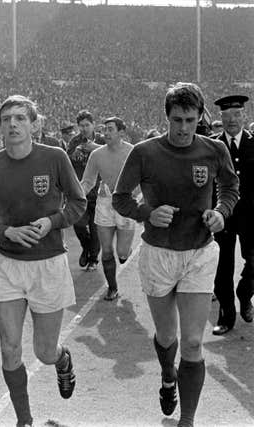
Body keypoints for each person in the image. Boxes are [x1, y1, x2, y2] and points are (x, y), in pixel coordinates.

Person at [112, 83, 239, 427]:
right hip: (158, 254)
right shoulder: (144, 152)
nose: (183, 128)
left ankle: (187, 419)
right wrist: (146, 213)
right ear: (166, 117)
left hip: (199, 253)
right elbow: (120, 197)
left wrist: (221, 212)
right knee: (167, 337)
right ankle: (168, 374)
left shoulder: (214, 150)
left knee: (194, 342)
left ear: (200, 118)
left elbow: (230, 187)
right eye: (176, 120)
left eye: (190, 120)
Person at [0, 95, 86, 427]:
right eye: (6, 118)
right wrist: (6, 232)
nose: (13, 124)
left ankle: (62, 360)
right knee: (9, 348)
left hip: (48, 263)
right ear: (0, 126)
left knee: (44, 353)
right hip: (7, 265)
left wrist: (52, 222)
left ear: (35, 124)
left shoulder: (54, 158)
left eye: (20, 118)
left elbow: (78, 204)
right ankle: (24, 420)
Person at [211, 94, 254, 335]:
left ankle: (245, 293)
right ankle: (226, 315)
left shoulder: (253, 142)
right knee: (222, 266)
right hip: (223, 216)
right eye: (226, 116)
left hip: (252, 215)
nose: (231, 120)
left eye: (236, 114)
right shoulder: (213, 146)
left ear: (243, 115)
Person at [81, 117, 136, 301]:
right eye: (104, 129)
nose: (106, 133)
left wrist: (136, 196)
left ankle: (124, 252)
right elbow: (88, 181)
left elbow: (145, 178)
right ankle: (112, 288)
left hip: (126, 203)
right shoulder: (97, 155)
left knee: (121, 253)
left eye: (110, 129)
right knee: (106, 250)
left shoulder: (133, 152)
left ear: (121, 132)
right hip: (104, 203)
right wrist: (76, 197)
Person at [67, 110, 104, 270]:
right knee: (79, 225)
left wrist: (93, 148)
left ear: (93, 124)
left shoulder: (102, 140)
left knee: (95, 228)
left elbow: (110, 153)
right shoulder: (75, 141)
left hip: (99, 191)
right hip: (81, 191)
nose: (84, 128)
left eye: (87, 125)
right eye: (81, 126)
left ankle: (94, 259)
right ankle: (86, 248)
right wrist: (72, 154)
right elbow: (66, 163)